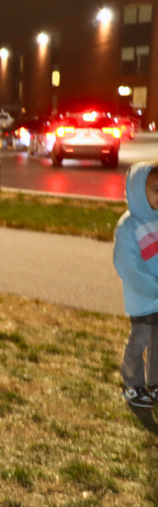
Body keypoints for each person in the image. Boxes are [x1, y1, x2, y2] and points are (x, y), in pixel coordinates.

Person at [114, 162, 158, 408]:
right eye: (157, 190)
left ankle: (155, 383)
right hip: (142, 300)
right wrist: (154, 287)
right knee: (139, 340)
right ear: (140, 192)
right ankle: (133, 385)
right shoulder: (128, 226)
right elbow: (129, 266)